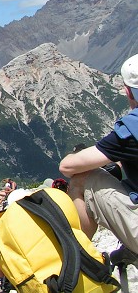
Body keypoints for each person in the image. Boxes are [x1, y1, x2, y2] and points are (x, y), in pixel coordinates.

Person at [59, 53, 138, 259]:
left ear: (129, 92)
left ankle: (80, 256)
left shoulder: (130, 131)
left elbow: (67, 167)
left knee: (82, 178)